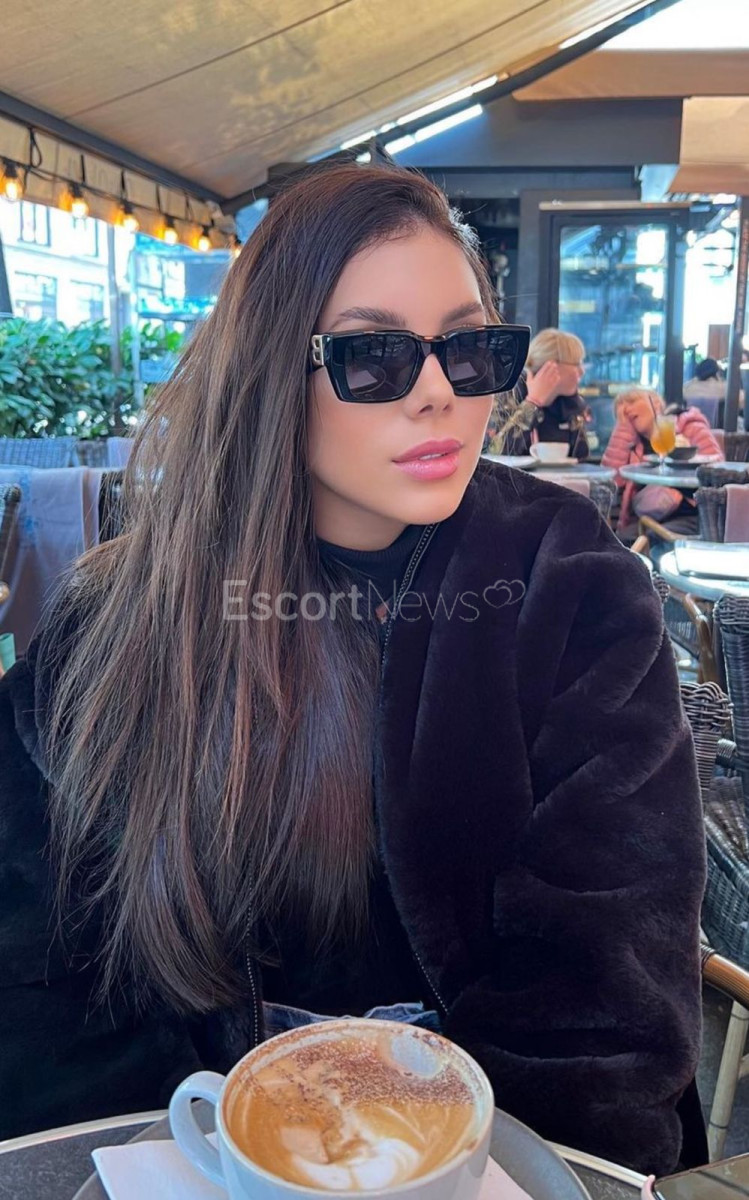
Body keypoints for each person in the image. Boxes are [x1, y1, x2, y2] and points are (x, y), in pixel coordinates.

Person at [0, 164, 705, 1176]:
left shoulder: (569, 584)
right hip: (189, 1152)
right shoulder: (123, 617)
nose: (437, 393)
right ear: (268, 369)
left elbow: (605, 995)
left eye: (469, 349)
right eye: (373, 355)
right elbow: (37, 978)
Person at [603, 387, 721, 540]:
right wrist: (623, 431)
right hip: (647, 516)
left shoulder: (690, 427)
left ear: (656, 403)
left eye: (631, 402)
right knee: (624, 540)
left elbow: (717, 469)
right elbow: (610, 481)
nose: (625, 409)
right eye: (620, 407)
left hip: (692, 513)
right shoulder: (632, 444)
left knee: (653, 539)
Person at [485, 328, 590, 459]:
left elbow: (582, 456)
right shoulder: (510, 391)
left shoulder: (568, 402)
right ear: (551, 365)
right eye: (577, 364)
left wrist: (575, 404)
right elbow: (495, 452)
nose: (582, 371)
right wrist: (532, 403)